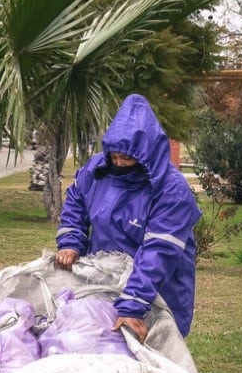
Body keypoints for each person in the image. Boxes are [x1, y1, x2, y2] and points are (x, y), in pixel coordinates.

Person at [54, 94, 201, 342]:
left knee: (154, 356)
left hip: (156, 290)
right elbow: (76, 200)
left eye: (127, 159)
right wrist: (71, 240)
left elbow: (159, 252)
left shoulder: (170, 191)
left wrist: (133, 304)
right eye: (114, 157)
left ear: (146, 154)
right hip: (105, 282)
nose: (119, 164)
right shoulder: (98, 170)